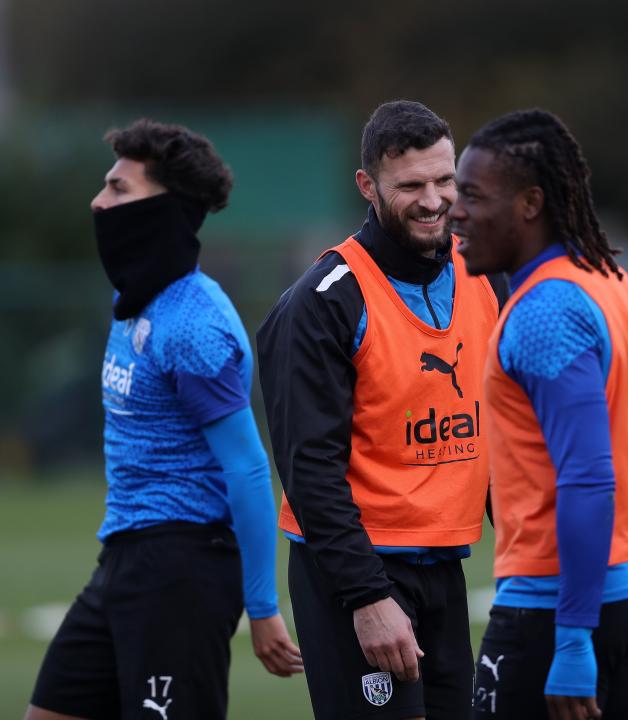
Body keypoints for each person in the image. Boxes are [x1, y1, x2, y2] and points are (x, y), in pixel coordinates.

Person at [25, 119, 301, 720]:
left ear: (165, 209)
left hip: (183, 571)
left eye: (119, 189)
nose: (99, 202)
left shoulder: (194, 325)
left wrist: (262, 607)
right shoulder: (135, 303)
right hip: (124, 555)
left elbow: (251, 469)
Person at [257, 100, 508, 720]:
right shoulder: (322, 302)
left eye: (445, 181)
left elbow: (503, 436)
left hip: (444, 565)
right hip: (354, 575)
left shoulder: (484, 273)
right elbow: (308, 468)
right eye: (411, 186)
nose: (433, 200)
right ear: (367, 186)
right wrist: (366, 597)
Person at [451, 109, 628, 720]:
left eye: (473, 196)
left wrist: (574, 637)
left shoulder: (545, 310)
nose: (456, 213)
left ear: (530, 204)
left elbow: (587, 475)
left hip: (559, 604)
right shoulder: (611, 280)